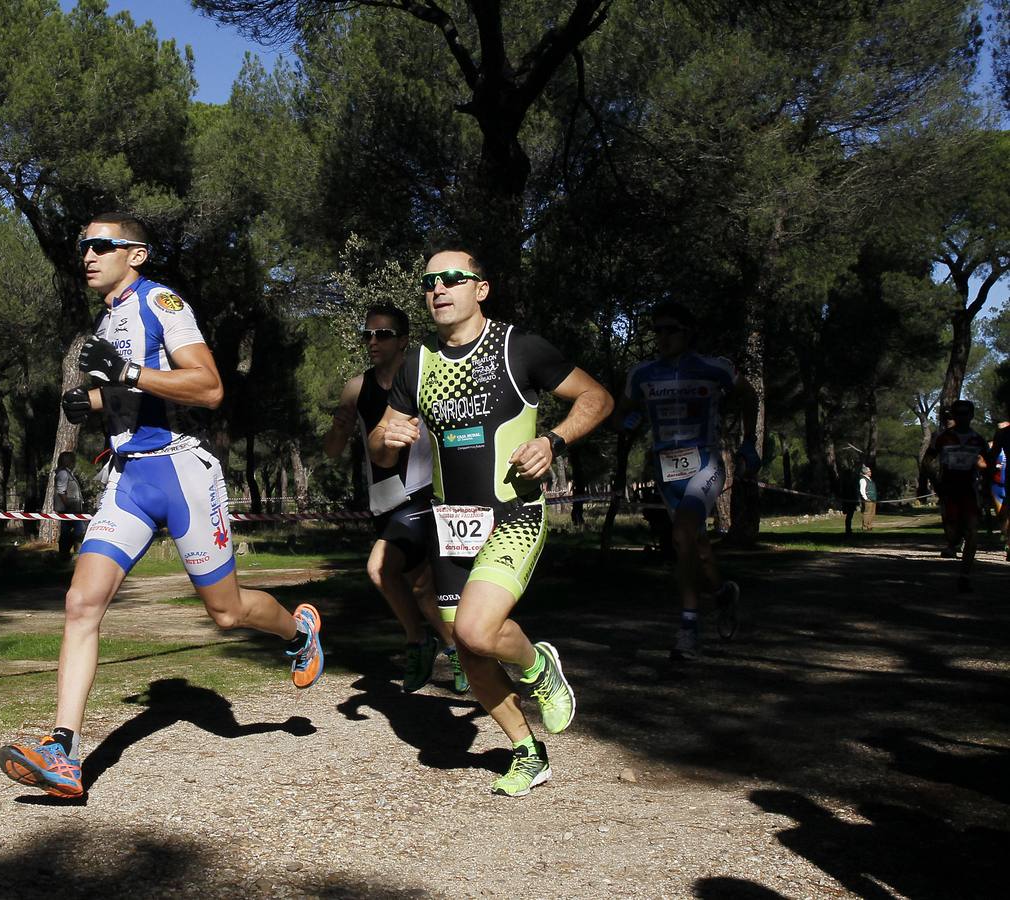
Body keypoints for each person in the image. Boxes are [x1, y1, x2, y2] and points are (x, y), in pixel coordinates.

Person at [0, 213, 324, 799]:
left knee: (225, 613)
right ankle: (63, 752)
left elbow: (208, 386)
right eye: (83, 246)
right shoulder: (108, 316)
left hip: (181, 471)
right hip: (128, 480)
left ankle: (298, 630)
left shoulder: (161, 302)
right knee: (80, 602)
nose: (88, 255)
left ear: (137, 254)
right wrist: (96, 401)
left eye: (101, 245)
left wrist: (124, 372)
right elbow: (137, 389)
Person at [368, 247, 613, 798]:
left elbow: (597, 397)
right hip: (451, 522)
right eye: (429, 281)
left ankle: (538, 667)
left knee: (480, 631)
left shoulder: (519, 348)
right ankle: (528, 750)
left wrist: (553, 441)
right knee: (466, 645)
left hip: (514, 515)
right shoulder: (416, 363)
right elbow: (381, 448)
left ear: (481, 288)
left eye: (452, 278)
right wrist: (385, 440)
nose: (438, 288)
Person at [323, 303, 466, 694]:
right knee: (420, 587)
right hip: (383, 500)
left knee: (380, 569)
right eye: (367, 334)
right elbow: (333, 450)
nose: (372, 341)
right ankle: (454, 650)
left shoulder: (422, 378)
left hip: (423, 494)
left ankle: (421, 643)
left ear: (403, 340)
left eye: (382, 334)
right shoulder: (356, 387)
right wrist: (339, 425)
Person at [616, 302, 756, 662]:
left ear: (688, 332)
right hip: (666, 472)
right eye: (657, 330)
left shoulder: (715, 368)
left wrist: (750, 443)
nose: (662, 337)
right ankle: (723, 592)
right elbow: (623, 409)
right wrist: (627, 420)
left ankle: (689, 627)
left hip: (705, 464)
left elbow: (749, 396)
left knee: (681, 535)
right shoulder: (643, 373)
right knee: (697, 545)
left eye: (671, 329)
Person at [925, 398, 990, 592]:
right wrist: (934, 482)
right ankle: (954, 541)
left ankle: (964, 575)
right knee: (952, 533)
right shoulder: (942, 438)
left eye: (965, 413)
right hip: (948, 489)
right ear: (954, 416)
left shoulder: (978, 440)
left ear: (971, 416)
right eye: (958, 413)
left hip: (969, 490)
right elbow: (927, 460)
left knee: (972, 532)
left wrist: (985, 485)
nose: (962, 417)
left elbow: (988, 464)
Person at [53, 450, 86, 562]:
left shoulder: (68, 473)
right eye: (72, 460)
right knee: (79, 529)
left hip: (73, 508)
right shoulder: (63, 473)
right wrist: (68, 505)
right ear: (68, 461)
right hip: (69, 509)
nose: (74, 462)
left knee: (67, 531)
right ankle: (72, 553)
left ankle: (65, 555)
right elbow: (61, 491)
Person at [991, 420, 1009, 560]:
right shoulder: (994, 446)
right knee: (1002, 517)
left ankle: (1009, 546)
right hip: (997, 486)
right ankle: (1007, 539)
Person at [858, 465, 877, 532]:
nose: (870, 472)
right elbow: (862, 490)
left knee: (872, 513)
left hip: (873, 499)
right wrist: (866, 498)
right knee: (867, 513)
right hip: (868, 499)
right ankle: (865, 526)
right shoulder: (863, 479)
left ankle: (870, 526)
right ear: (866, 472)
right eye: (869, 471)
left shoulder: (870, 479)